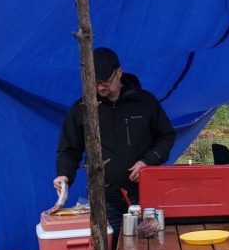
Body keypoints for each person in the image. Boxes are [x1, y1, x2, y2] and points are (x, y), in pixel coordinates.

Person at [53, 47, 176, 236]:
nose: (101, 87)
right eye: (96, 82)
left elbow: (166, 136)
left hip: (144, 195)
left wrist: (148, 160)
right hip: (105, 199)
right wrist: (64, 175)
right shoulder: (82, 109)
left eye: (106, 81)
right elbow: (69, 150)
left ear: (119, 72)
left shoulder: (145, 102)